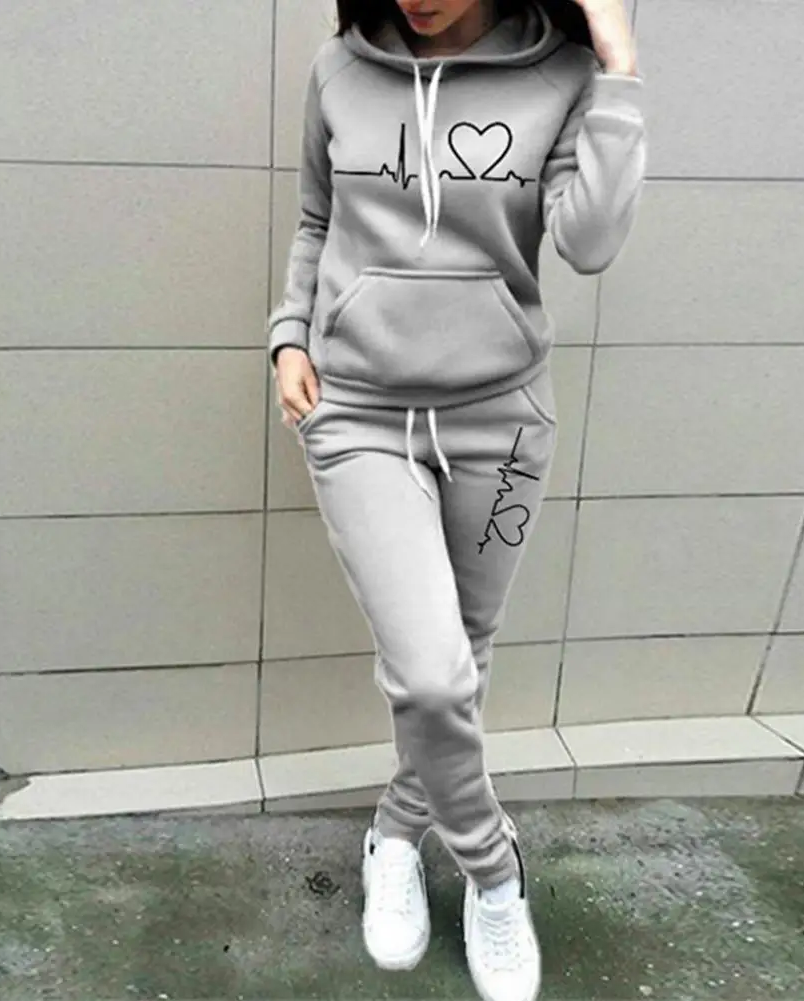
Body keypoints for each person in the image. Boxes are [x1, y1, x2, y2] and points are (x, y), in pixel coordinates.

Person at [268, 1, 644, 998]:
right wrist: (289, 334)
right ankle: (492, 867)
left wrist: (617, 66)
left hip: (502, 422)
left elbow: (589, 242)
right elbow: (316, 222)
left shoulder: (562, 78)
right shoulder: (338, 69)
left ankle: (395, 831)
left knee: (460, 662)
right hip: (357, 415)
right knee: (430, 677)